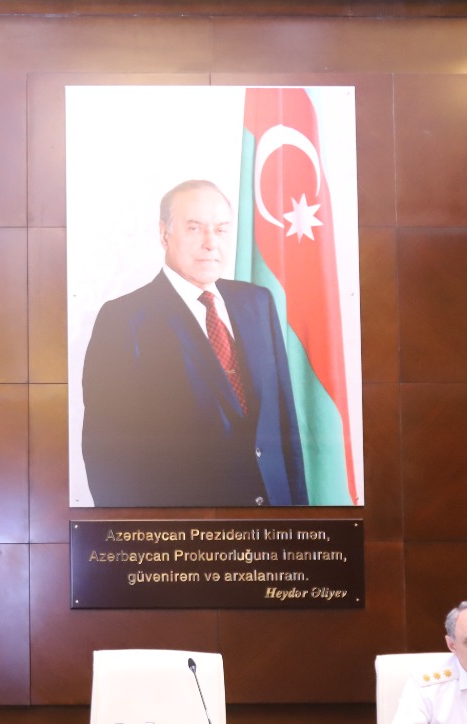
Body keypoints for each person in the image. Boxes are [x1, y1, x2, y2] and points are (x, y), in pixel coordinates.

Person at [80, 178, 308, 508]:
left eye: (221, 229)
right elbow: (107, 457)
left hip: (273, 519)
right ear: (164, 234)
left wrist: (299, 518)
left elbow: (285, 427)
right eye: (195, 228)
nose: (210, 243)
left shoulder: (258, 303)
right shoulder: (124, 320)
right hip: (189, 530)